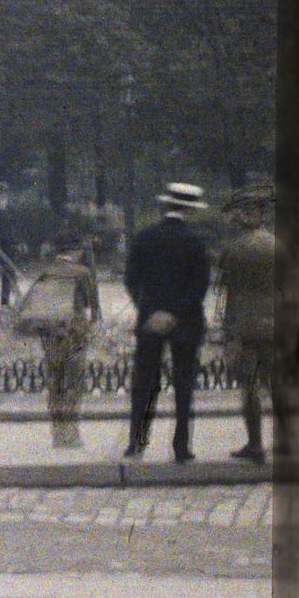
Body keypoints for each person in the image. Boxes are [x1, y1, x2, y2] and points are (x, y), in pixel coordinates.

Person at [124, 181, 213, 463]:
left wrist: (150, 310)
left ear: (166, 205)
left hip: (150, 321)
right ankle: (181, 446)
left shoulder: (144, 236)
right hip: (185, 322)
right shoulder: (197, 241)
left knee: (145, 383)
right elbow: (199, 286)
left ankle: (136, 442)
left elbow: (131, 279)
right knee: (184, 385)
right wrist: (174, 314)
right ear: (190, 209)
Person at [16, 230, 102, 447]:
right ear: (77, 251)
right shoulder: (82, 272)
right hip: (74, 334)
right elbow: (92, 306)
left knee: (55, 381)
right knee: (72, 382)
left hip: (50, 334)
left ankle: (57, 434)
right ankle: (70, 434)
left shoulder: (46, 270)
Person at [215, 187, 278, 463]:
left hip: (244, 323)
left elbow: (226, 292)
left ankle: (255, 444)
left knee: (249, 386)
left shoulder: (234, 249)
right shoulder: (278, 246)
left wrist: (227, 332)